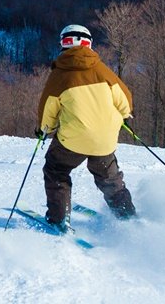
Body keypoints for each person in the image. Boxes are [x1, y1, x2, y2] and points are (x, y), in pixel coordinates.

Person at [36, 23, 136, 227]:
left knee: (56, 170)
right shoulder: (102, 70)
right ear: (88, 44)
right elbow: (124, 97)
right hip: (105, 140)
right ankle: (127, 217)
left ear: (63, 44)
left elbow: (49, 109)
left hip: (73, 141)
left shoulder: (60, 74)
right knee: (109, 178)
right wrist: (125, 116)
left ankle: (58, 218)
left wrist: (43, 130)